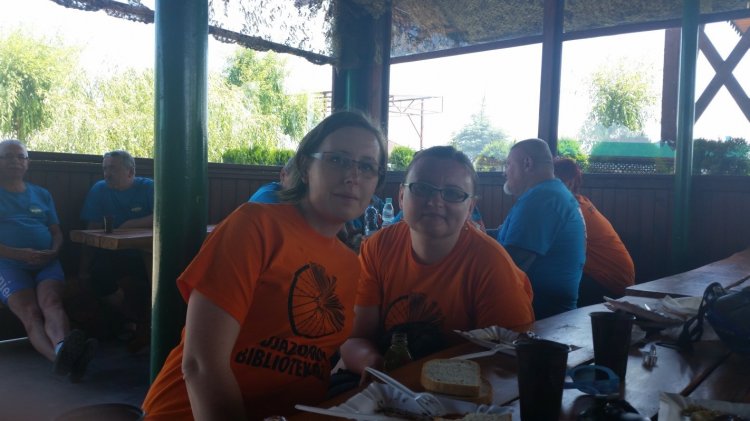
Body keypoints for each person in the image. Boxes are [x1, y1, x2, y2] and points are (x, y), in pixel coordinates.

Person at [142, 111, 387, 420]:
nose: (353, 176)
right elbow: (201, 364)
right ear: (305, 167)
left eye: (367, 166)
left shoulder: (351, 265)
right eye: (337, 159)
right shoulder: (255, 226)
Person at [340, 146, 534, 378]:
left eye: (453, 193)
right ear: (401, 196)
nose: (435, 201)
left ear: (470, 207)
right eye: (422, 188)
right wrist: (374, 366)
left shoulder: (492, 265)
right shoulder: (377, 247)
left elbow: (509, 360)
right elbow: (356, 339)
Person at [0, 139, 96, 382]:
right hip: (8, 265)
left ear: (27, 162)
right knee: (31, 313)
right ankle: (62, 360)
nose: (15, 161)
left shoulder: (41, 194)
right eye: (8, 156)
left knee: (52, 303)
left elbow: (56, 232)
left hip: (46, 263)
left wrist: (53, 251)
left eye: (20, 156)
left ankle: (63, 349)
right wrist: (18, 254)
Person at [496, 138, 586, 319]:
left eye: (508, 164)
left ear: (527, 163)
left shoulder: (543, 199)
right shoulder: (551, 192)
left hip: (543, 318)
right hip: (545, 311)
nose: (505, 172)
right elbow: (502, 238)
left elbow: (509, 269)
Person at [79, 150, 153, 343]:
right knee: (98, 277)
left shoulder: (148, 188)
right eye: (105, 169)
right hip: (115, 254)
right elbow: (92, 229)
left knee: (163, 277)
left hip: (149, 254)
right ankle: (135, 320)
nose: (107, 174)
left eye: (113, 168)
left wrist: (129, 225)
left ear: (130, 172)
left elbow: (164, 215)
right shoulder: (99, 190)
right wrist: (83, 270)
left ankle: (152, 326)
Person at [553, 157, 635, 305]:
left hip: (609, 285)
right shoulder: (580, 202)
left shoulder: (572, 209)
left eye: (552, 181)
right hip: (617, 280)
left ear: (570, 183)